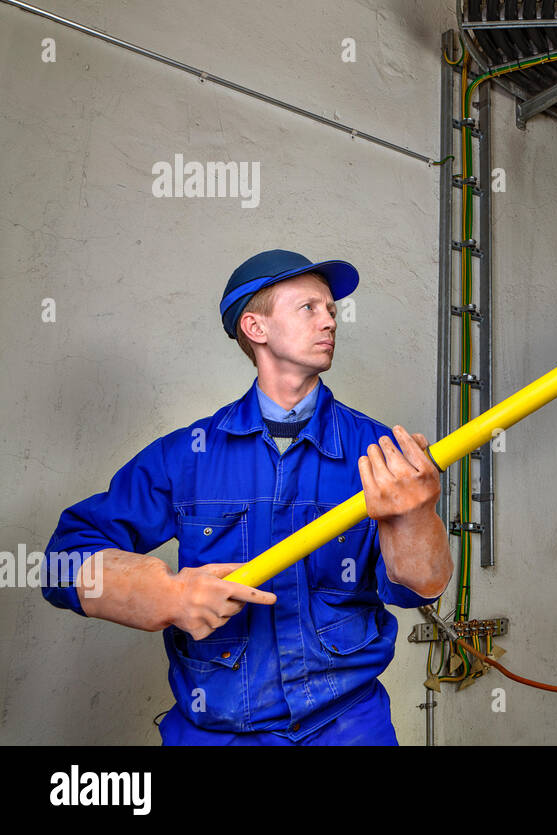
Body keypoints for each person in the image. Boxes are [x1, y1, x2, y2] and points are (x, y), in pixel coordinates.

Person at [41, 249, 454, 745]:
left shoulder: (379, 454)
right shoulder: (188, 456)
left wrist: (416, 518)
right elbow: (61, 562)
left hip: (346, 727)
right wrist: (164, 594)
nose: (330, 320)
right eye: (309, 308)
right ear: (256, 328)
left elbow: (417, 590)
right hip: (218, 732)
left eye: (332, 310)